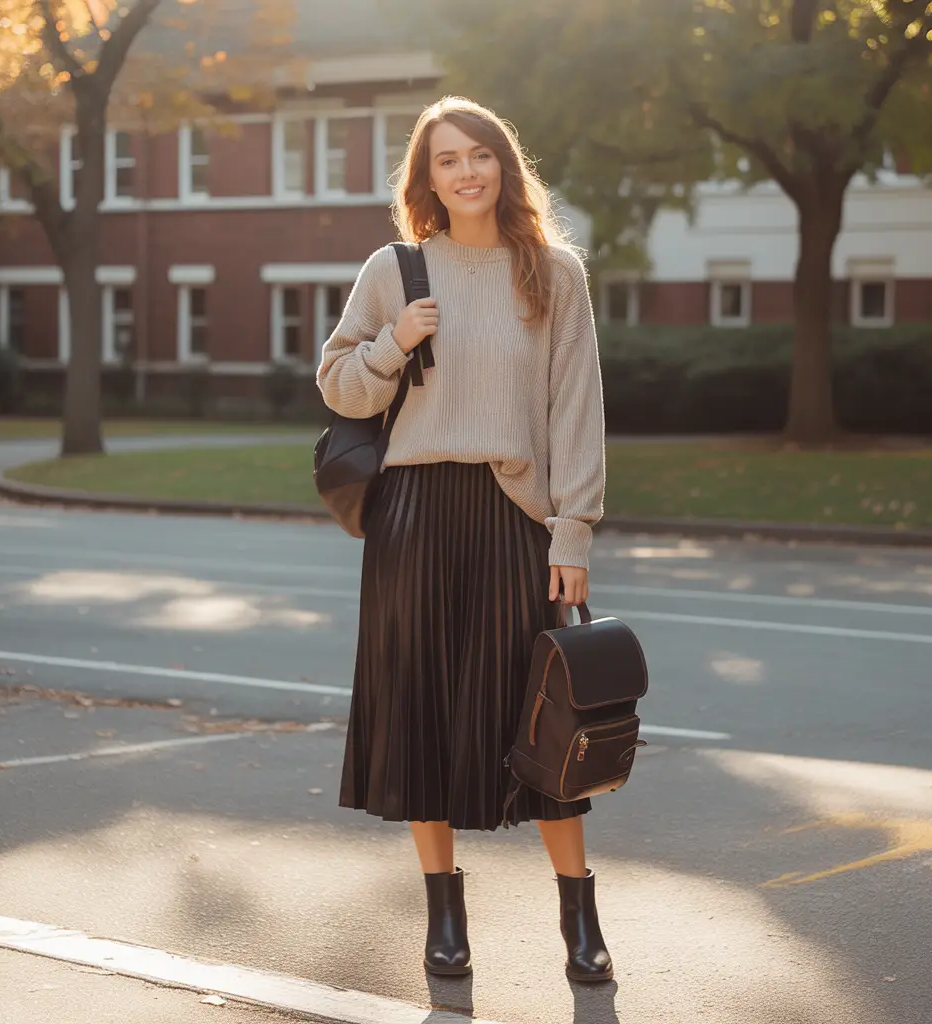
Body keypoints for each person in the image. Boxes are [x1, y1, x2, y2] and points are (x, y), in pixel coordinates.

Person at [317, 96, 608, 983]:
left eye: (480, 154)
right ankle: (444, 914)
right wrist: (392, 345)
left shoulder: (552, 273)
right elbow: (339, 389)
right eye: (447, 160)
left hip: (517, 516)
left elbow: (576, 409)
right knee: (422, 715)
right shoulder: (396, 270)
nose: (467, 171)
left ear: (503, 167)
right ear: (426, 178)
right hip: (412, 516)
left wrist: (574, 531)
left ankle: (580, 918)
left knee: (546, 719)